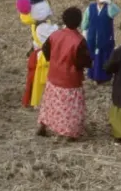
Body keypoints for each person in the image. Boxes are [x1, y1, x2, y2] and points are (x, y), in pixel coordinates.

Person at [37, 7, 92, 140]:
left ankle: (43, 126)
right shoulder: (79, 40)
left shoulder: (55, 35)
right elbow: (83, 61)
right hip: (70, 78)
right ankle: (69, 133)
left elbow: (46, 50)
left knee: (50, 103)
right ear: (79, 22)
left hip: (54, 74)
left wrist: (55, 60)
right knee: (70, 108)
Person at [20, 0, 59, 108]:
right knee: (45, 80)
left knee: (36, 79)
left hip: (37, 54)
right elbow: (54, 39)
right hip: (45, 56)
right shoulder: (43, 27)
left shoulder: (35, 25)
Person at [81, 0, 118, 84]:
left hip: (105, 36)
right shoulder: (91, 7)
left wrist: (109, 2)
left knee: (104, 56)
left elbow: (116, 12)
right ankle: (93, 76)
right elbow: (85, 21)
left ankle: (105, 77)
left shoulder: (109, 8)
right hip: (92, 36)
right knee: (94, 56)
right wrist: (84, 30)